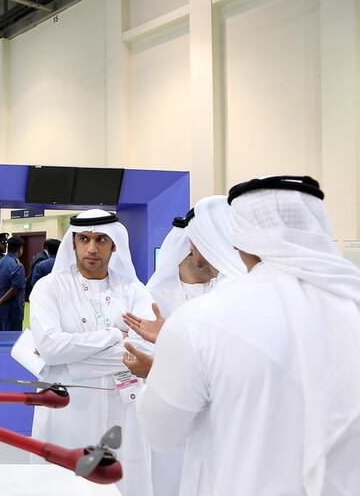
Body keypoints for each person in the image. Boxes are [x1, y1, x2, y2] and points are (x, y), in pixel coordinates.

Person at [137, 176, 360, 496]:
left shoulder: (201, 320)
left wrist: (161, 369)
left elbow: (160, 431)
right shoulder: (352, 304)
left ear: (237, 239)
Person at [123, 197, 245, 496]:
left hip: (221, 423)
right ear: (194, 244)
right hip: (171, 417)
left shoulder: (235, 292)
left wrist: (171, 343)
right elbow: (138, 354)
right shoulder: (154, 294)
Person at [29, 209, 155, 496]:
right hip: (69, 407)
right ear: (72, 242)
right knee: (66, 483)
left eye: (101, 239)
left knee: (123, 479)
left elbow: (145, 347)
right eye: (84, 239)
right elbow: (50, 348)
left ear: (114, 245)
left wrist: (76, 361)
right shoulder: (49, 288)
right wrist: (114, 335)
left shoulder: (134, 290)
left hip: (124, 407)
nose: (92, 248)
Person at [0, 236, 26, 331]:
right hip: (13, 312)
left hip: (0, 311)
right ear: (20, 249)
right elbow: (14, 289)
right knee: (13, 342)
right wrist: (0, 301)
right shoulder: (18, 266)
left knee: (1, 341)